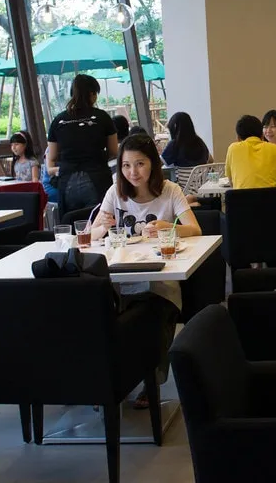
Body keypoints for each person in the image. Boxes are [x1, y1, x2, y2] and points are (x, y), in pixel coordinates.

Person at [89, 134, 201, 408]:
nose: (133, 172)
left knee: (155, 310)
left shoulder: (170, 191)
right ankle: (106, 380)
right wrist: (101, 227)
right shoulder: (115, 193)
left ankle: (151, 382)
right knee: (96, 312)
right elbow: (90, 236)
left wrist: (168, 227)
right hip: (118, 282)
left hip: (158, 281)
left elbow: (195, 229)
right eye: (126, 165)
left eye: (140, 164)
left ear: (153, 163)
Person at [47, 74, 118, 215]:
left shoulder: (58, 120)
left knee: (71, 223)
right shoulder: (103, 117)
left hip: (67, 181)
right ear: (92, 94)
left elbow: (52, 155)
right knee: (99, 221)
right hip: (96, 177)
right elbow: (113, 151)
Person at [224, 115, 276, 189]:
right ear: (262, 135)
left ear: (238, 138)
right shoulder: (275, 148)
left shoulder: (233, 149)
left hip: (242, 196)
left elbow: (232, 183)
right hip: (270, 196)